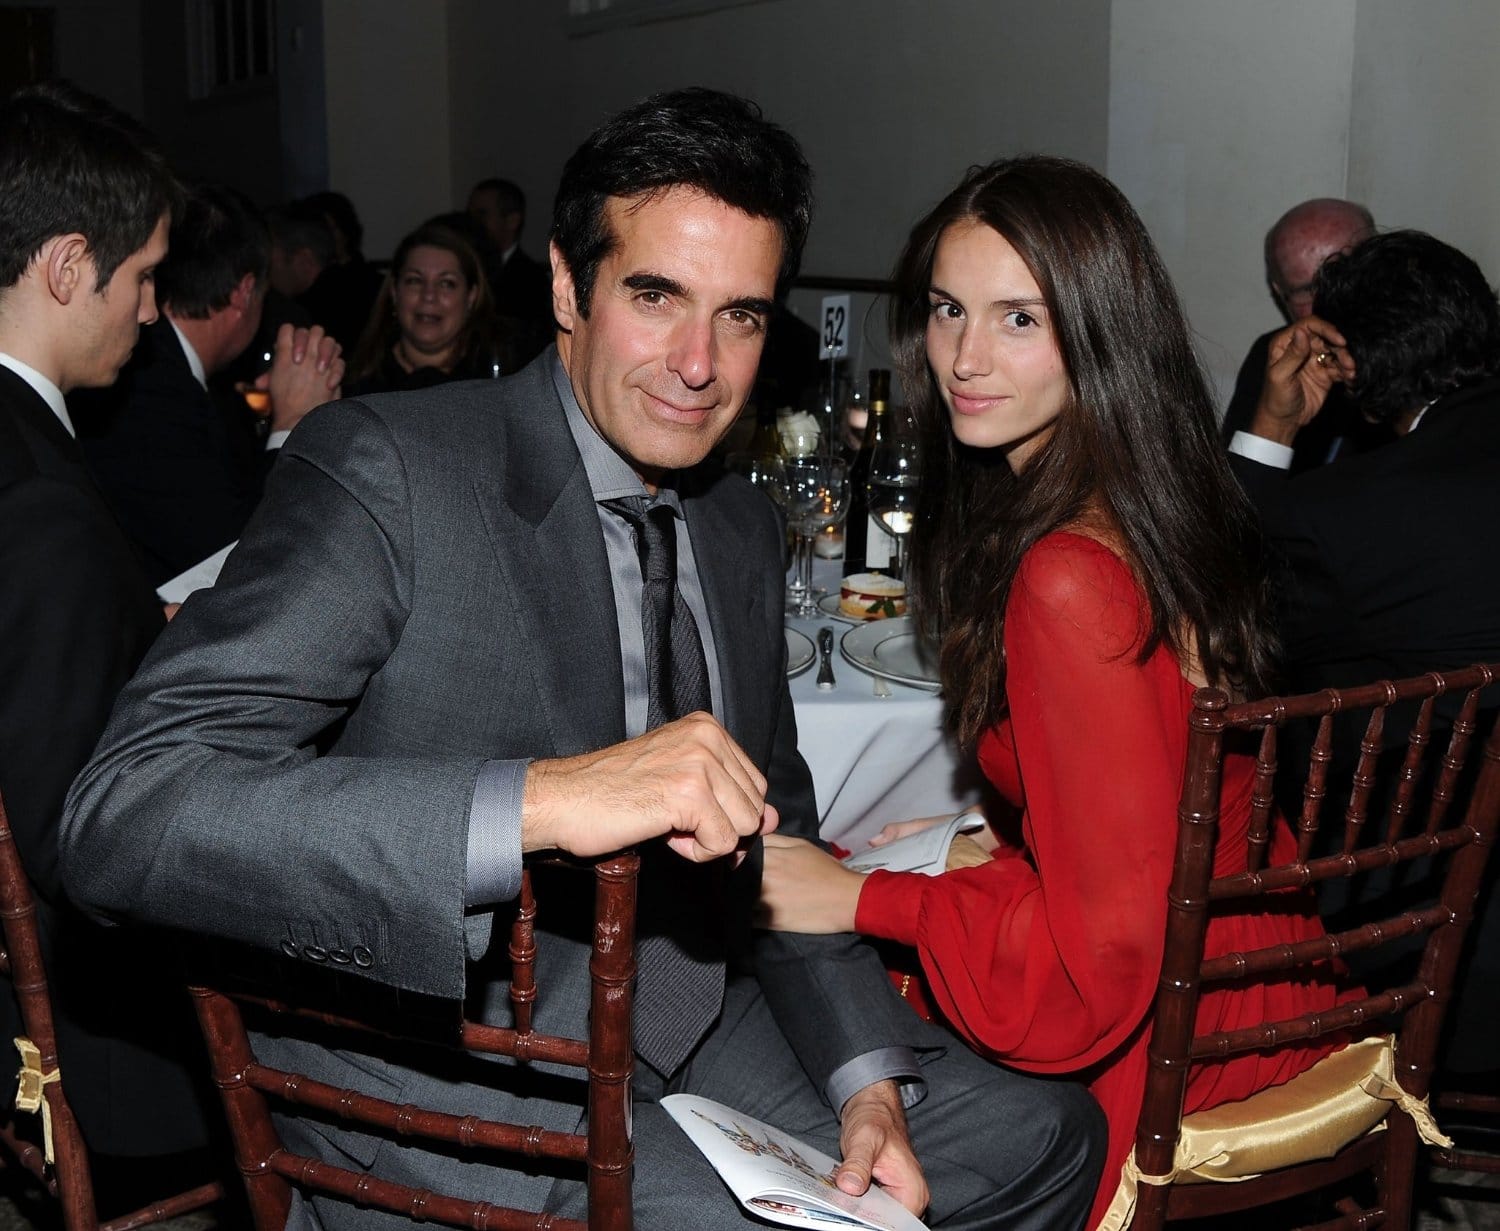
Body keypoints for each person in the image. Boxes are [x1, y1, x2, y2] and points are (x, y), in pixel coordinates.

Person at [61, 90, 1103, 1229]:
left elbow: (780, 839)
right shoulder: (394, 470)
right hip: (467, 1068)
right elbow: (126, 813)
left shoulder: (739, 528)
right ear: (567, 286)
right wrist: (542, 801)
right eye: (656, 298)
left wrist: (866, 1083)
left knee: (1045, 1134)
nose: (699, 364)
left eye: (742, 316)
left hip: (697, 1019)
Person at [758, 156, 1347, 1230]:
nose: (965, 359)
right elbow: (1151, 796)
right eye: (947, 311)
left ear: (1097, 329)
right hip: (1254, 958)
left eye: (1018, 320)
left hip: (1172, 1021)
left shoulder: (1068, 570)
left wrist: (864, 900)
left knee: (799, 1001)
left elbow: (1102, 959)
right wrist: (993, 848)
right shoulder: (1156, 492)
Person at [0, 78, 219, 1207]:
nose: (149, 312)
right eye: (142, 280)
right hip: (89, 1030)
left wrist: (142, 630)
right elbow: (79, 839)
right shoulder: (38, 501)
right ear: (67, 265)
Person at [1225, 230, 1500, 1080]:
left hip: (1416, 956)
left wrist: (1267, 431)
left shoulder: (1341, 517)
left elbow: (1211, 616)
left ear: (1343, 363)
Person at [72, 182, 344, 587]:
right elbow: (236, 561)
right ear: (245, 292)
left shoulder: (171, 373)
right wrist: (294, 421)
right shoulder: (149, 389)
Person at [1220, 198, 1382, 470]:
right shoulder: (1274, 358)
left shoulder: (1425, 347)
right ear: (1281, 295)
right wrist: (1274, 423)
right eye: (1308, 289)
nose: (1333, 298)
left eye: (1349, 274)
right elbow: (1236, 494)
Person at [345, 218, 515, 394]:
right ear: (394, 292)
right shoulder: (355, 384)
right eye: (415, 281)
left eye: (446, 283)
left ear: (471, 296)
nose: (429, 296)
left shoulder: (501, 381)